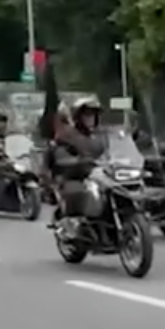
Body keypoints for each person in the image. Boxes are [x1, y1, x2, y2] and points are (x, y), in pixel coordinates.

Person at [49, 97, 107, 231]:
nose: (90, 118)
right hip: (77, 175)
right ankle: (74, 223)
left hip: (101, 173)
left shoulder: (102, 135)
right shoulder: (68, 135)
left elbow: (114, 150)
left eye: (93, 115)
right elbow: (60, 154)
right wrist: (75, 161)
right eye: (87, 115)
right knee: (79, 191)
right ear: (78, 117)